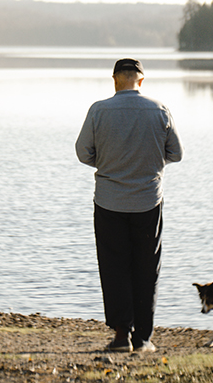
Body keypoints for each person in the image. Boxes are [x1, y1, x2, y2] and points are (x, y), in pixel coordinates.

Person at [75, 58, 183, 353]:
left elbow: (83, 153)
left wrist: (110, 164)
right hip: (148, 201)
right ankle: (144, 338)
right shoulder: (159, 110)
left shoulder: (98, 110)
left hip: (109, 202)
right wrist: (148, 165)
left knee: (114, 267)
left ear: (114, 80)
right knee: (147, 268)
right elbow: (176, 153)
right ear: (141, 80)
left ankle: (122, 335)